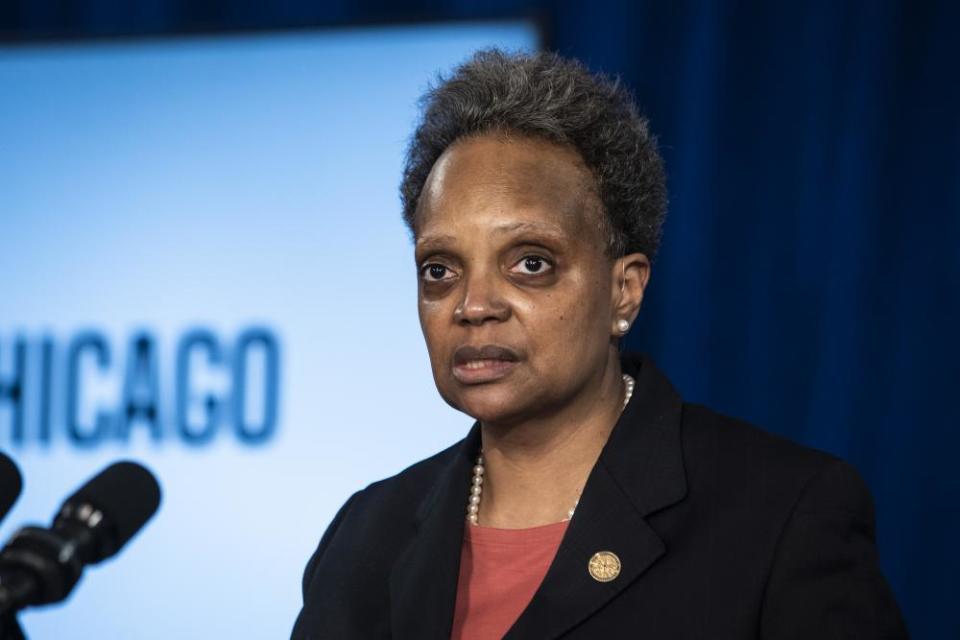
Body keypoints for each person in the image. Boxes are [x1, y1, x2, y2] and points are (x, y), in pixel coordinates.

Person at [291, 49, 908, 639]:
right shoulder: (364, 537)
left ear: (625, 291)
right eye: (440, 270)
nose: (474, 305)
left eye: (530, 263)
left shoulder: (782, 517)